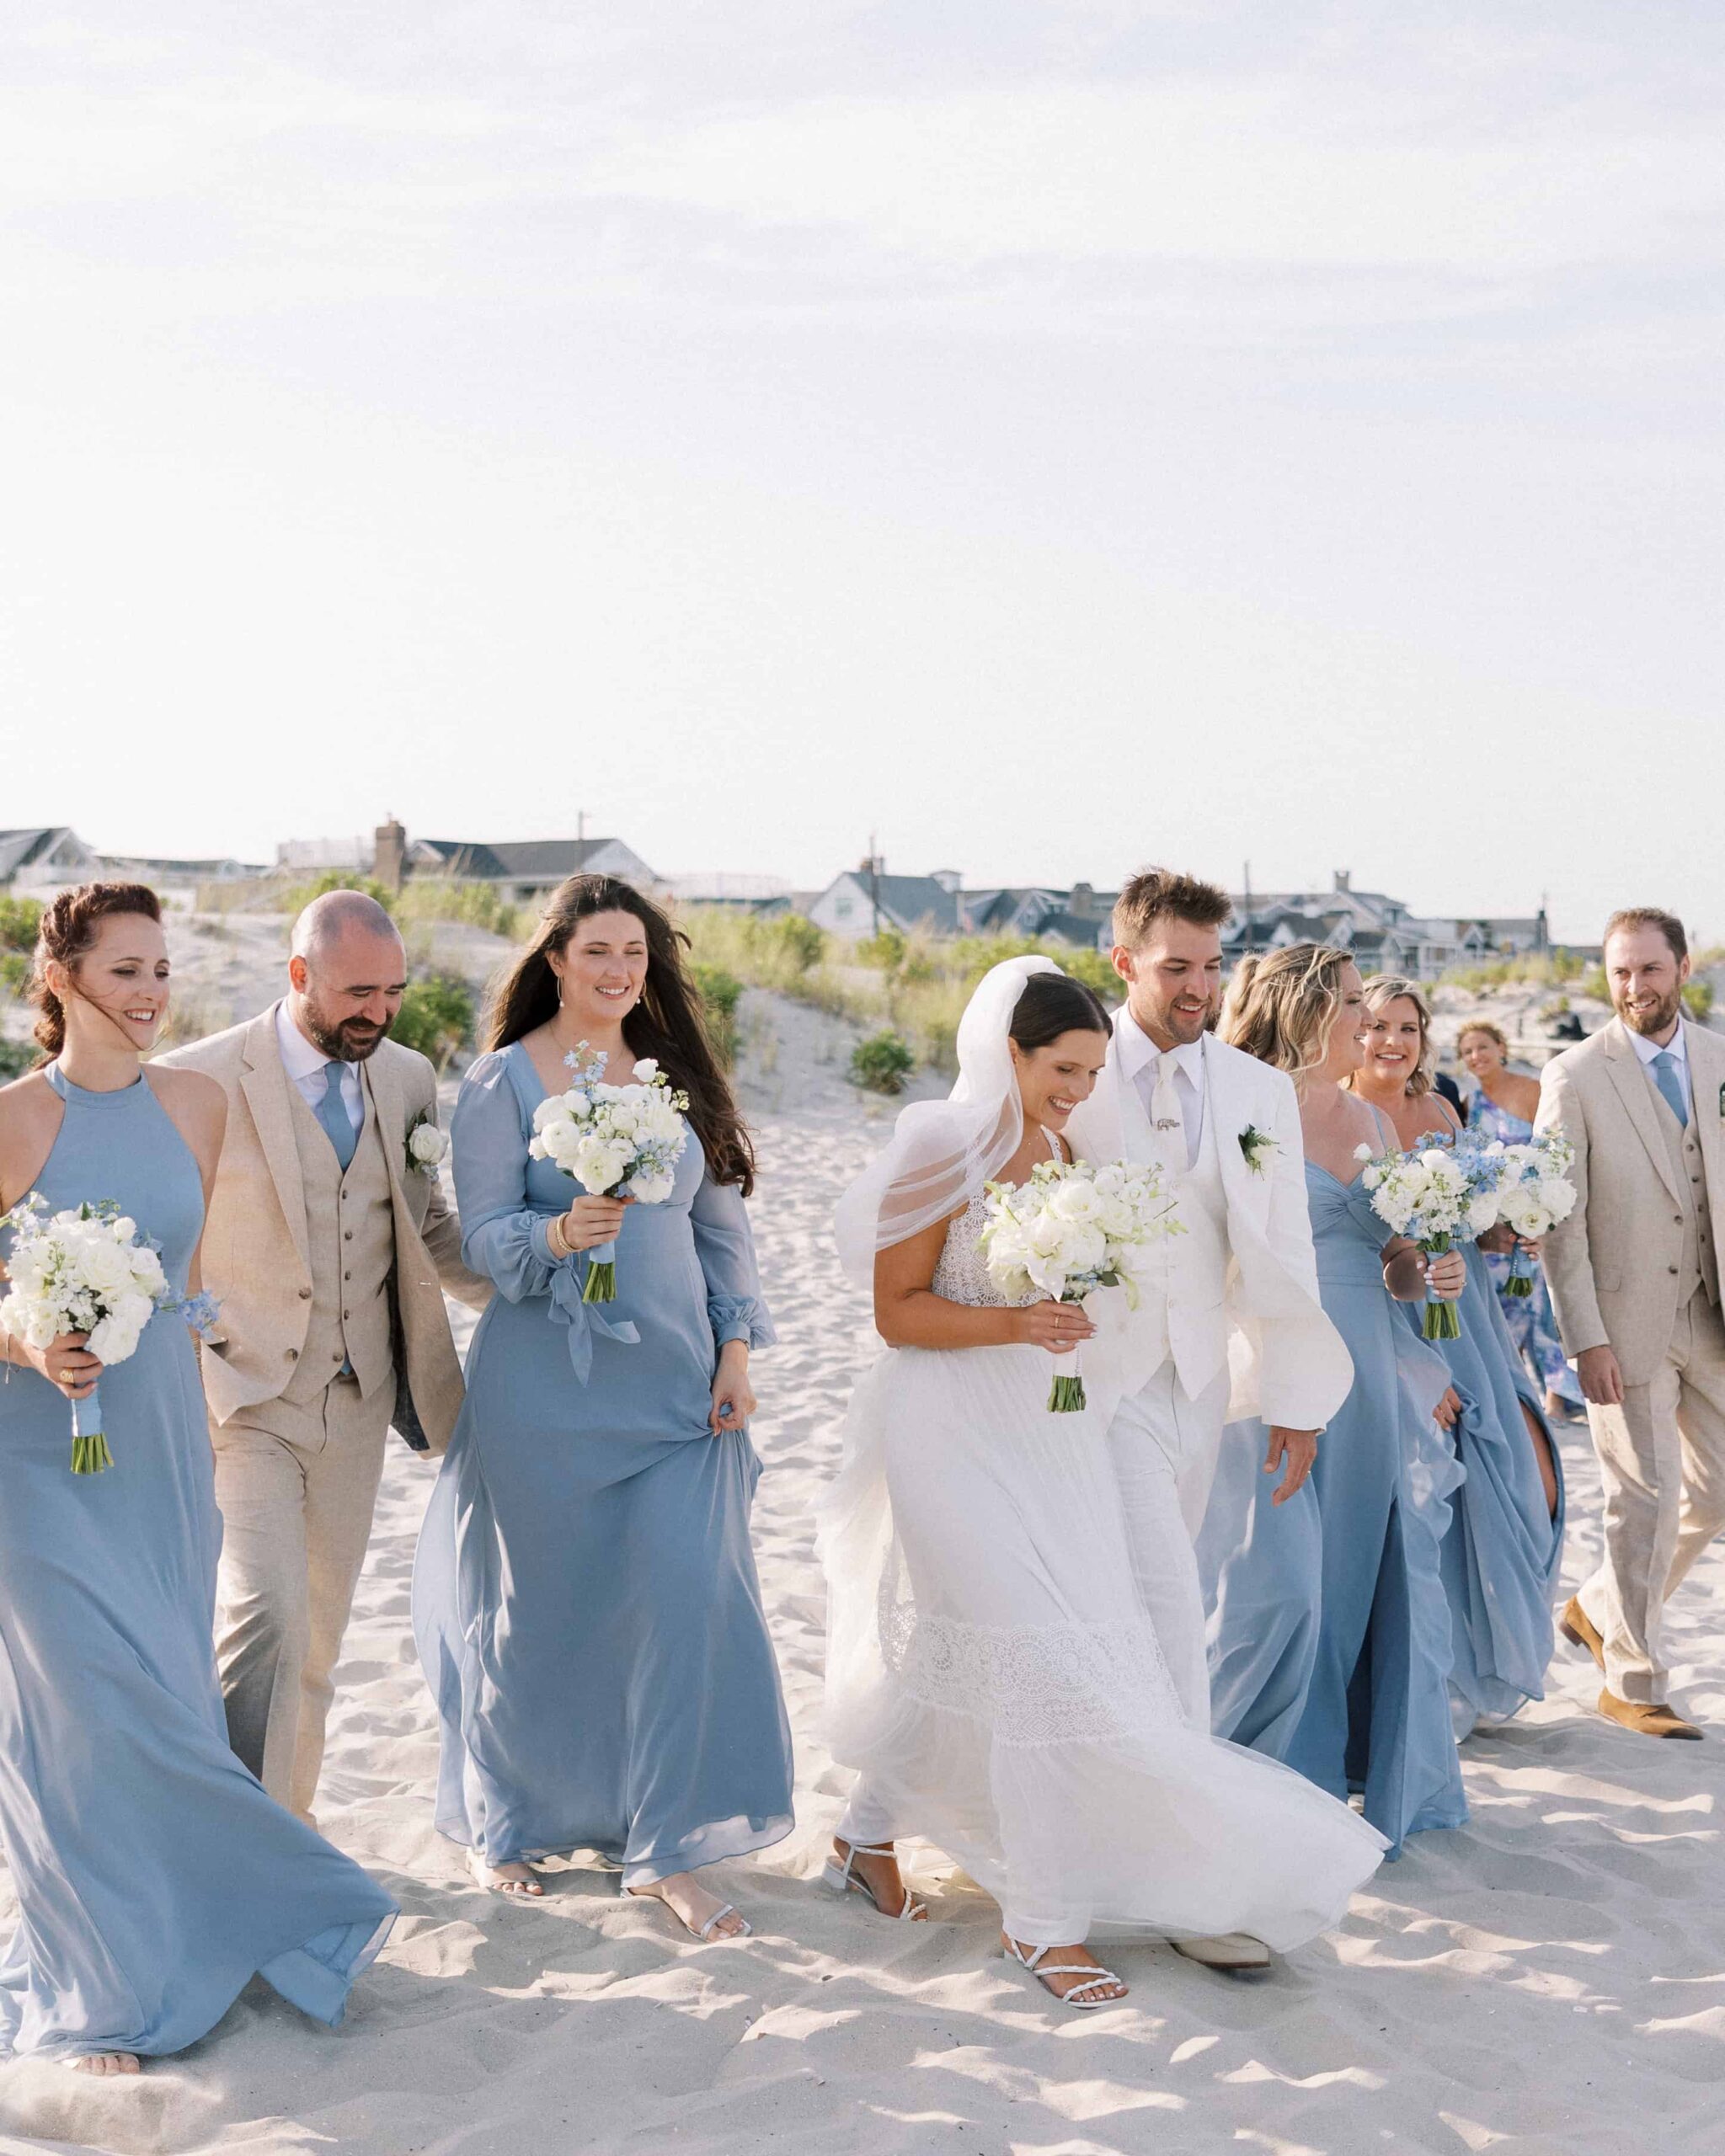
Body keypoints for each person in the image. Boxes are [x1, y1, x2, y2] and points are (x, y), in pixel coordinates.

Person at [820, 958, 1386, 2009]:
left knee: (980, 1644)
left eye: (1089, 1071)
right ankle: (1041, 1923)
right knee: (1036, 1656)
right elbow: (895, 1310)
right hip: (946, 1431)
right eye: (1062, 1069)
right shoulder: (939, 1144)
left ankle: (862, 1836)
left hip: (1050, 1430)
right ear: (1008, 1054)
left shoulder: (1070, 1147)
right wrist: (1015, 1321)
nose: (1080, 1090)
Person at [0, 884, 396, 2073]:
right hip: (33, 1453)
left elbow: (178, 1275)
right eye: (125, 970)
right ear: (61, 978)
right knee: (81, 1717)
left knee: (162, 1702)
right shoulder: (15, 1118)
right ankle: (106, 1982)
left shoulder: (199, 1105)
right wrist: (26, 1337)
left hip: (163, 1446)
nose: (151, 993)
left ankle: (175, 1934)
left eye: (163, 970)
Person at [414, 875, 791, 1937]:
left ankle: (662, 1846)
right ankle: (509, 1823)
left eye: (634, 952)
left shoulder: (675, 1078)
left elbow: (723, 1235)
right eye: (597, 953)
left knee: (683, 1604)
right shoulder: (501, 1081)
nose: (618, 971)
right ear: (555, 960)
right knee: (537, 1618)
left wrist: (734, 1355)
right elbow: (483, 1234)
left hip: (676, 1387)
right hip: (543, 1389)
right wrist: (556, 1236)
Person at [159, 890, 489, 1823]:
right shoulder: (198, 1078)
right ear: (298, 974)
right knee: (262, 1620)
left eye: (393, 992)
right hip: (243, 1396)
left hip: (360, 1402)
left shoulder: (409, 1077)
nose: (377, 1013)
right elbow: (154, 1231)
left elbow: (425, 1227)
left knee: (318, 1644)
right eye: (356, 992)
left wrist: (532, 1282)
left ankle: (285, 1844)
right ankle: (232, 1848)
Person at [1063, 873, 1354, 1735]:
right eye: (1174, 967)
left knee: (1148, 1592)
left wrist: (1294, 1403)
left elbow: (1284, 1248)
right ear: (1122, 962)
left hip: (1198, 1387)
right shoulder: (1073, 1070)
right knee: (1163, 1608)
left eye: (1211, 966)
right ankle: (1180, 1819)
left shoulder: (1255, 1092)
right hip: (1092, 1388)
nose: (1198, 987)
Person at [1202, 947, 1468, 1854]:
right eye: (1354, 1001)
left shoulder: (1367, 1118)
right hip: (1267, 1368)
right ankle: (1229, 1777)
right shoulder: (1239, 1104)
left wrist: (1424, 1265)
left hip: (1361, 1379)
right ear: (1306, 1005)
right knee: (1275, 1591)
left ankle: (1312, 1794)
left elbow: (1390, 1260)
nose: (1367, 1018)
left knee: (1348, 1584)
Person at [1351, 979, 1564, 1732]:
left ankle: (1486, 1656)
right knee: (1432, 1485)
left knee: (1522, 1469)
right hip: (1395, 1320)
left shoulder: (1441, 1109)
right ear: (1352, 1029)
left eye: (1407, 1027)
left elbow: (1468, 1220)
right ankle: (1428, 1680)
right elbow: (1352, 1250)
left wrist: (1507, 1231)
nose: (1392, 1041)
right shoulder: (1339, 1116)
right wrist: (1412, 1366)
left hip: (1468, 1313)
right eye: (1376, 1025)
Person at [1537, 907, 1725, 1741]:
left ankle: (1597, 1606)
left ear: (1680, 968)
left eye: (1647, 969)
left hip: (1708, 1310)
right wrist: (1584, 1336)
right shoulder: (1573, 1074)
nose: (1632, 987)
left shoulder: (1718, 1057)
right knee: (1637, 1498)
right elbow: (1557, 1218)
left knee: (1713, 1490)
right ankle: (1632, 1678)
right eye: (1618, 972)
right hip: (1620, 1320)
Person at [1459, 1021, 1585, 1422]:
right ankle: (1514, 1390)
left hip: (1533, 1214)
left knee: (1540, 1306)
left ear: (1501, 1047)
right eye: (1467, 1052)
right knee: (1504, 1309)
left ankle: (1558, 1394)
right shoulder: (1468, 1102)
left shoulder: (1532, 1091)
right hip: (1493, 1226)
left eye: (1482, 1047)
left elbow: (1551, 1153)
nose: (1476, 1056)